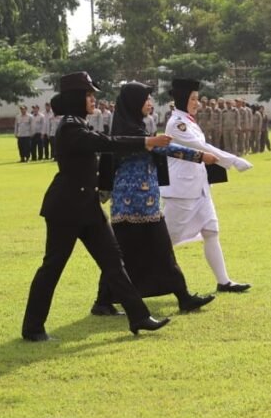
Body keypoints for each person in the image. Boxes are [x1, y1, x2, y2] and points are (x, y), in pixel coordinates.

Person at [22, 73, 172, 342]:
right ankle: (32, 327)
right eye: (89, 95)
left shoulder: (79, 123)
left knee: (114, 261)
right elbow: (108, 144)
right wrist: (145, 141)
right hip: (66, 208)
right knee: (53, 267)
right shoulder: (70, 127)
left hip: (87, 207)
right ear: (76, 98)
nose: (94, 99)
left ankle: (138, 316)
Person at [92, 82, 217, 316]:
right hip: (129, 205)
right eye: (146, 99)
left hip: (149, 203)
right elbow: (164, 149)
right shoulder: (125, 133)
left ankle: (183, 296)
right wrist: (200, 156)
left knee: (162, 250)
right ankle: (102, 301)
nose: (150, 103)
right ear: (133, 103)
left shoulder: (139, 127)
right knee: (121, 255)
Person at [161, 78, 253, 293]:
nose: (197, 103)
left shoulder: (188, 120)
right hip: (181, 191)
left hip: (199, 187)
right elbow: (201, 147)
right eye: (193, 99)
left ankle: (224, 282)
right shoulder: (177, 123)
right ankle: (128, 282)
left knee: (211, 231)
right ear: (183, 99)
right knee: (164, 242)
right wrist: (233, 161)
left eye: (197, 99)